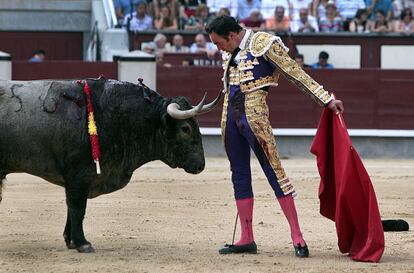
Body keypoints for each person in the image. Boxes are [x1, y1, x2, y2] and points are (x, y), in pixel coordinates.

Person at [205, 15, 343, 257]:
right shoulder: (228, 51)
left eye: (218, 43)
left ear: (231, 35)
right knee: (238, 174)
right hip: (230, 118)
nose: (218, 48)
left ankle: (297, 236)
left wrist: (326, 99)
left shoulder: (265, 43)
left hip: (255, 118)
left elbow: (295, 73)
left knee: (275, 173)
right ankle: (246, 237)